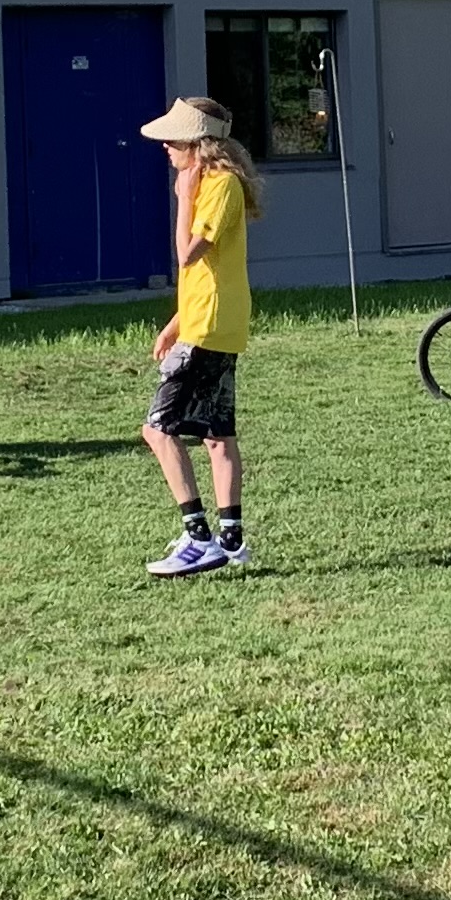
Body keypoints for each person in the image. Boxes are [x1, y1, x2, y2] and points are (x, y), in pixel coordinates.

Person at [137, 97, 259, 577]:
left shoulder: (219, 186)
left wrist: (183, 197)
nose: (167, 146)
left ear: (200, 143)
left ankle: (198, 538)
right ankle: (231, 541)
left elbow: (188, 254)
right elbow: (206, 275)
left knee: (157, 429)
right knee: (216, 435)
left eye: (176, 139)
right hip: (210, 322)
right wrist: (175, 322)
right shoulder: (213, 182)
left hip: (209, 328)